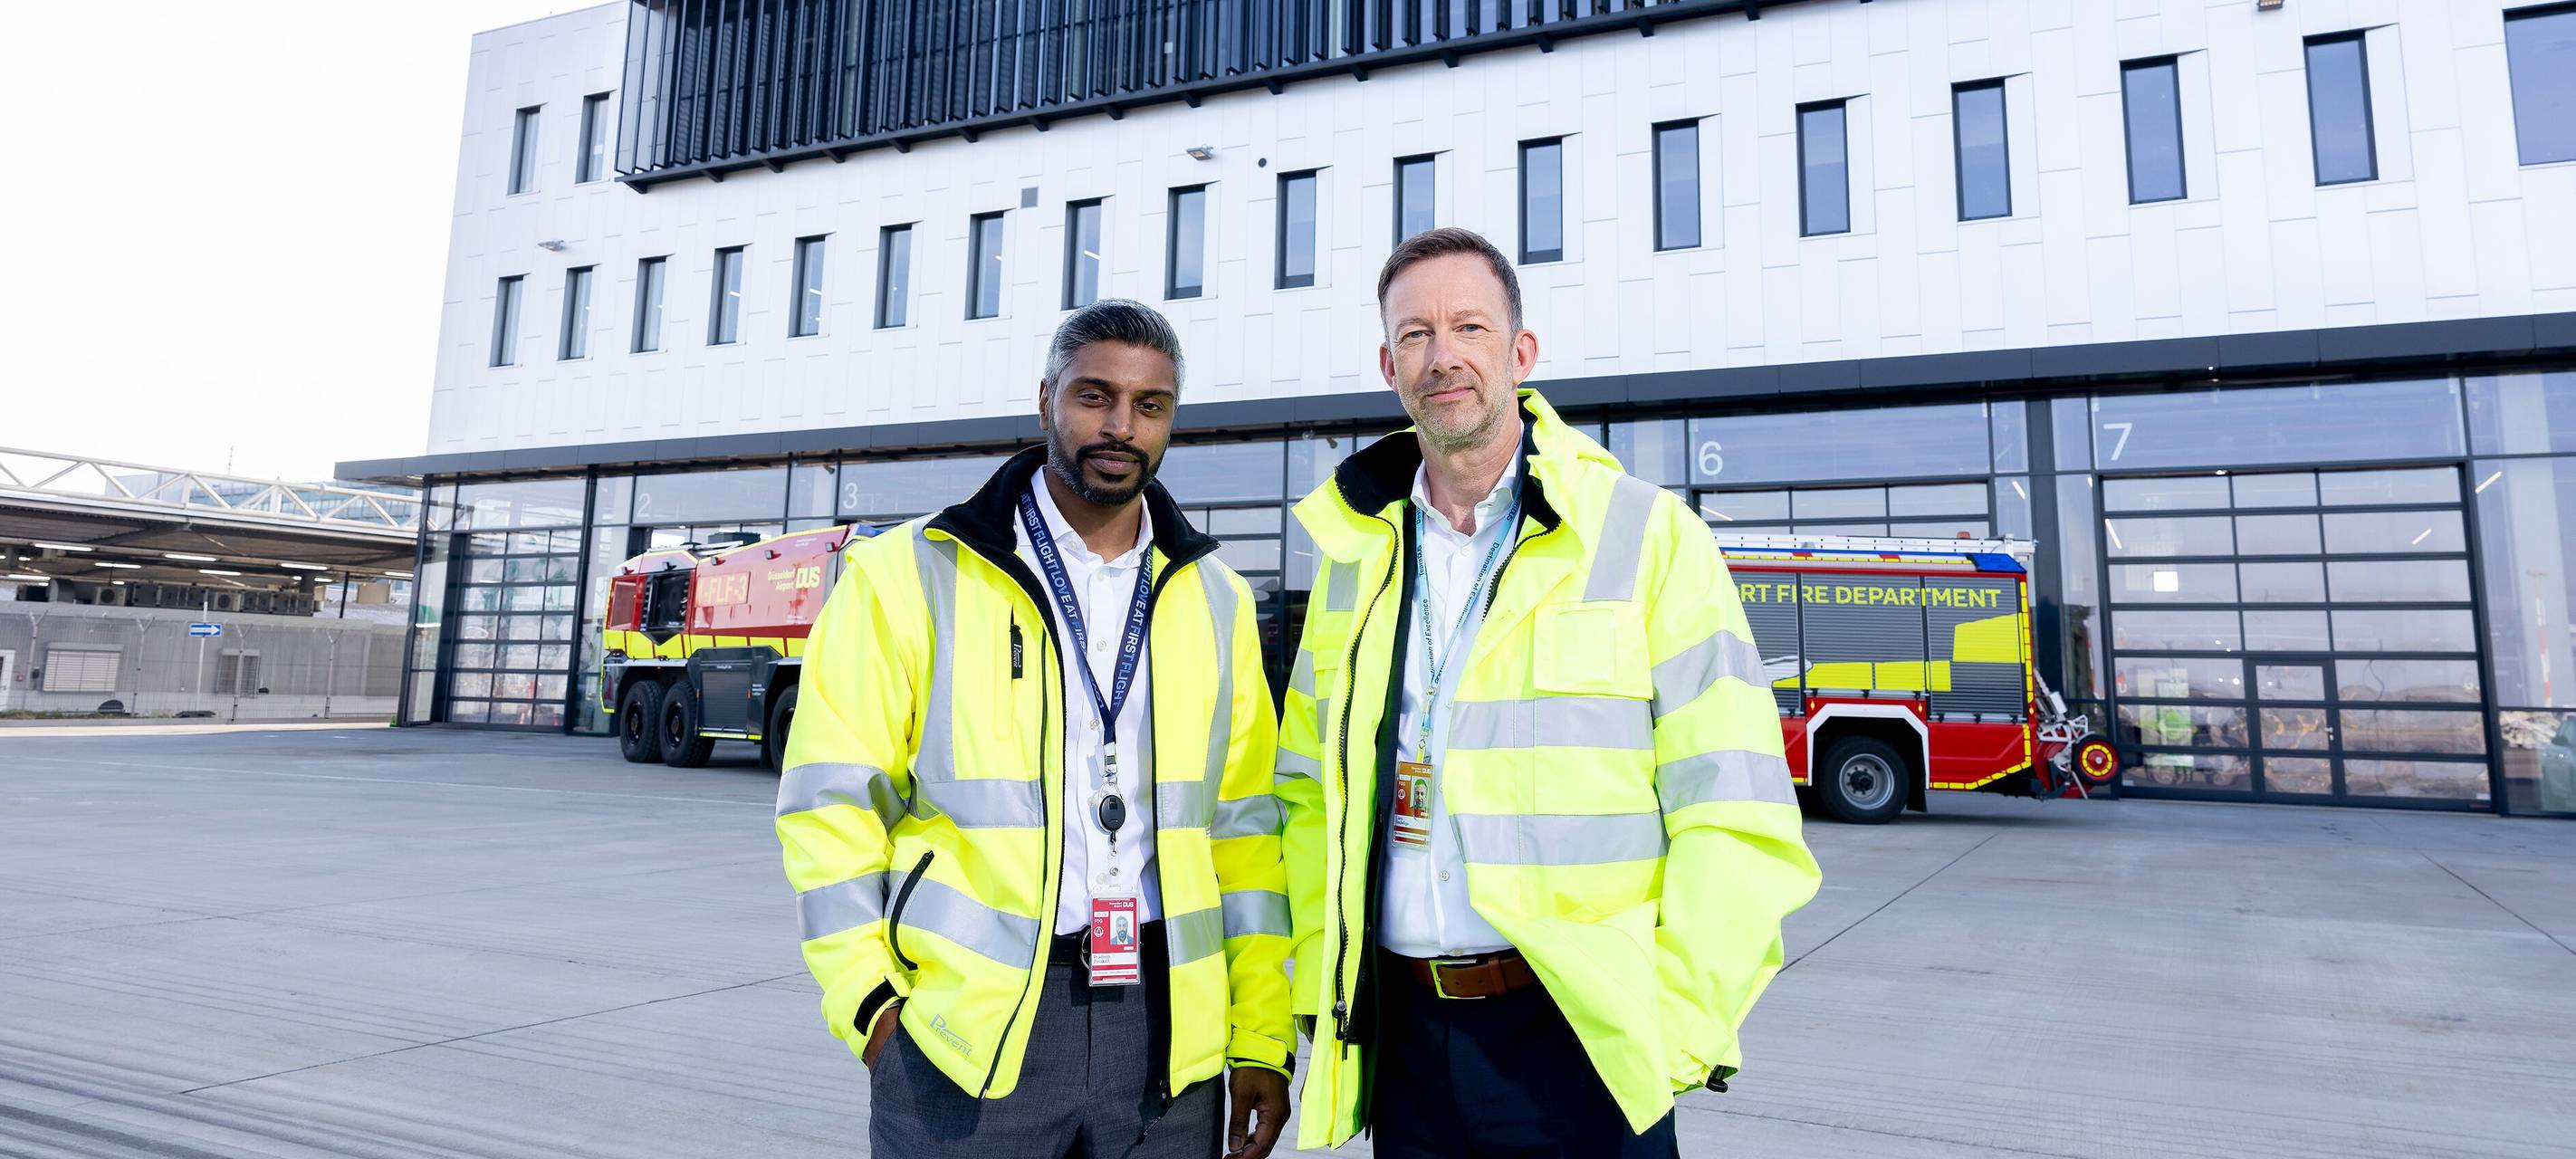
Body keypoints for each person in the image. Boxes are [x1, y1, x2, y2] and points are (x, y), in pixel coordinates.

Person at [1274, 228, 1823, 1156]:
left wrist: (1668, 1026)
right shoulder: (1352, 558)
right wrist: (1314, 990)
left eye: (1467, 326)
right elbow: (1302, 796)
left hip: (1580, 1042)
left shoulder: (1649, 535)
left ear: (1519, 353)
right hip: (1405, 1039)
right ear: (1387, 363)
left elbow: (1736, 809)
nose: (1441, 355)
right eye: (1414, 334)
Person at [778, 299, 1294, 1159]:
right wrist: (871, 1007)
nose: (1121, 426)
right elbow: (829, 806)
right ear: (1046, 397)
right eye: (1094, 397)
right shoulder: (907, 575)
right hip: (967, 1036)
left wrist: (1260, 1036)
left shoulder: (1216, 599)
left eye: (1150, 406)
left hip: (1170, 1035)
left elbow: (1244, 831)